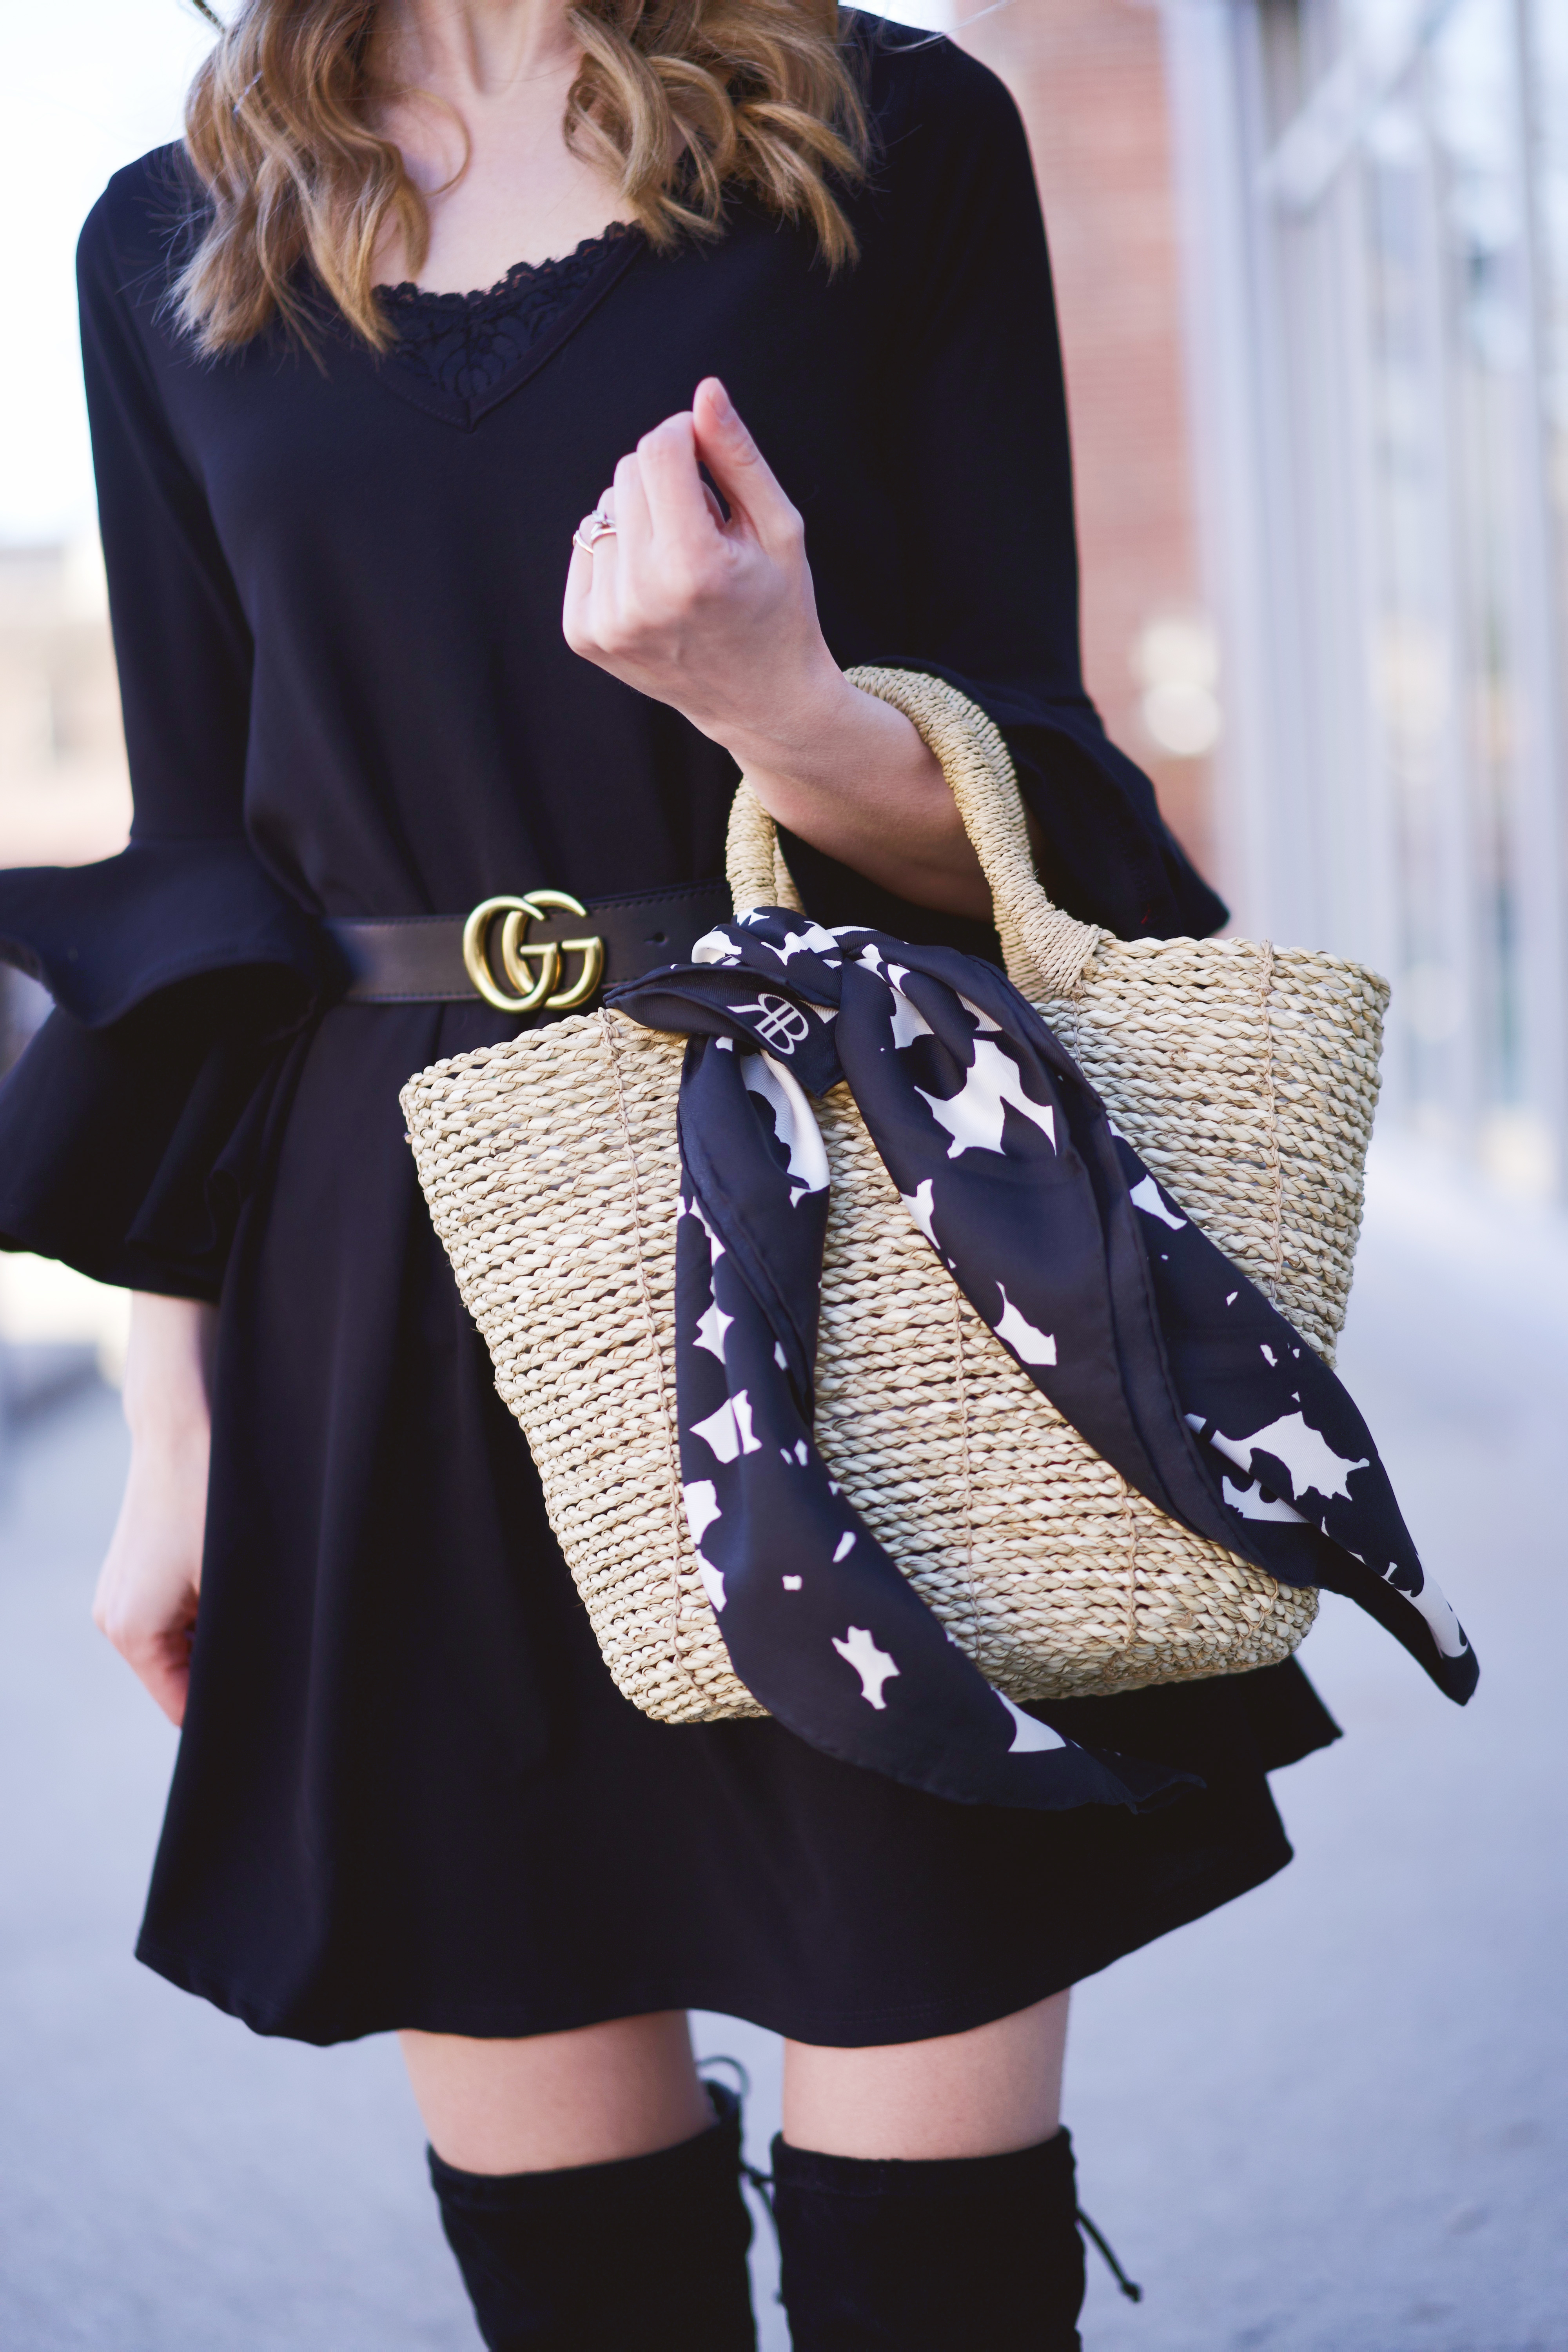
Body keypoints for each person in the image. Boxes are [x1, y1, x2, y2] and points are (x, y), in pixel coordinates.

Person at [0, 2, 1343, 2343]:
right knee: (577, 2273)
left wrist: (774, 704)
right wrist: (171, 1430)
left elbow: (1044, 812)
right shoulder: (178, 227)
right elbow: (202, 887)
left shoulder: (885, 127)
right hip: (379, 1269)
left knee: (935, 2260)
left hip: (841, 1215)